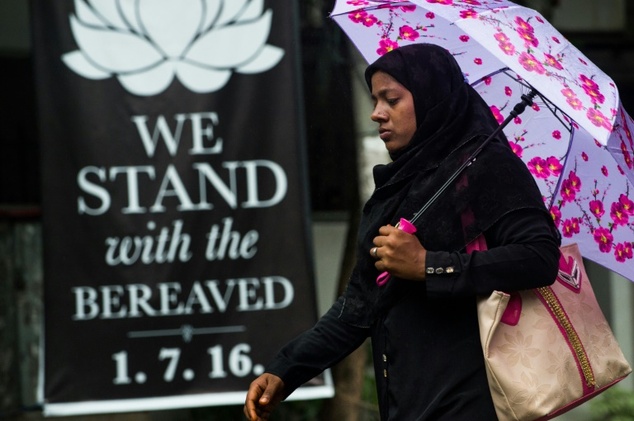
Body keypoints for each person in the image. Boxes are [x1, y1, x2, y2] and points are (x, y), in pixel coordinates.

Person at [244, 43, 561, 420]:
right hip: (407, 403)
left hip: (475, 401)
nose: (377, 114)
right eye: (375, 99)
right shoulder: (401, 187)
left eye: (390, 99)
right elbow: (359, 306)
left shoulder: (488, 168)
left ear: (431, 99)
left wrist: (430, 265)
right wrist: (285, 370)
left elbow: (539, 258)